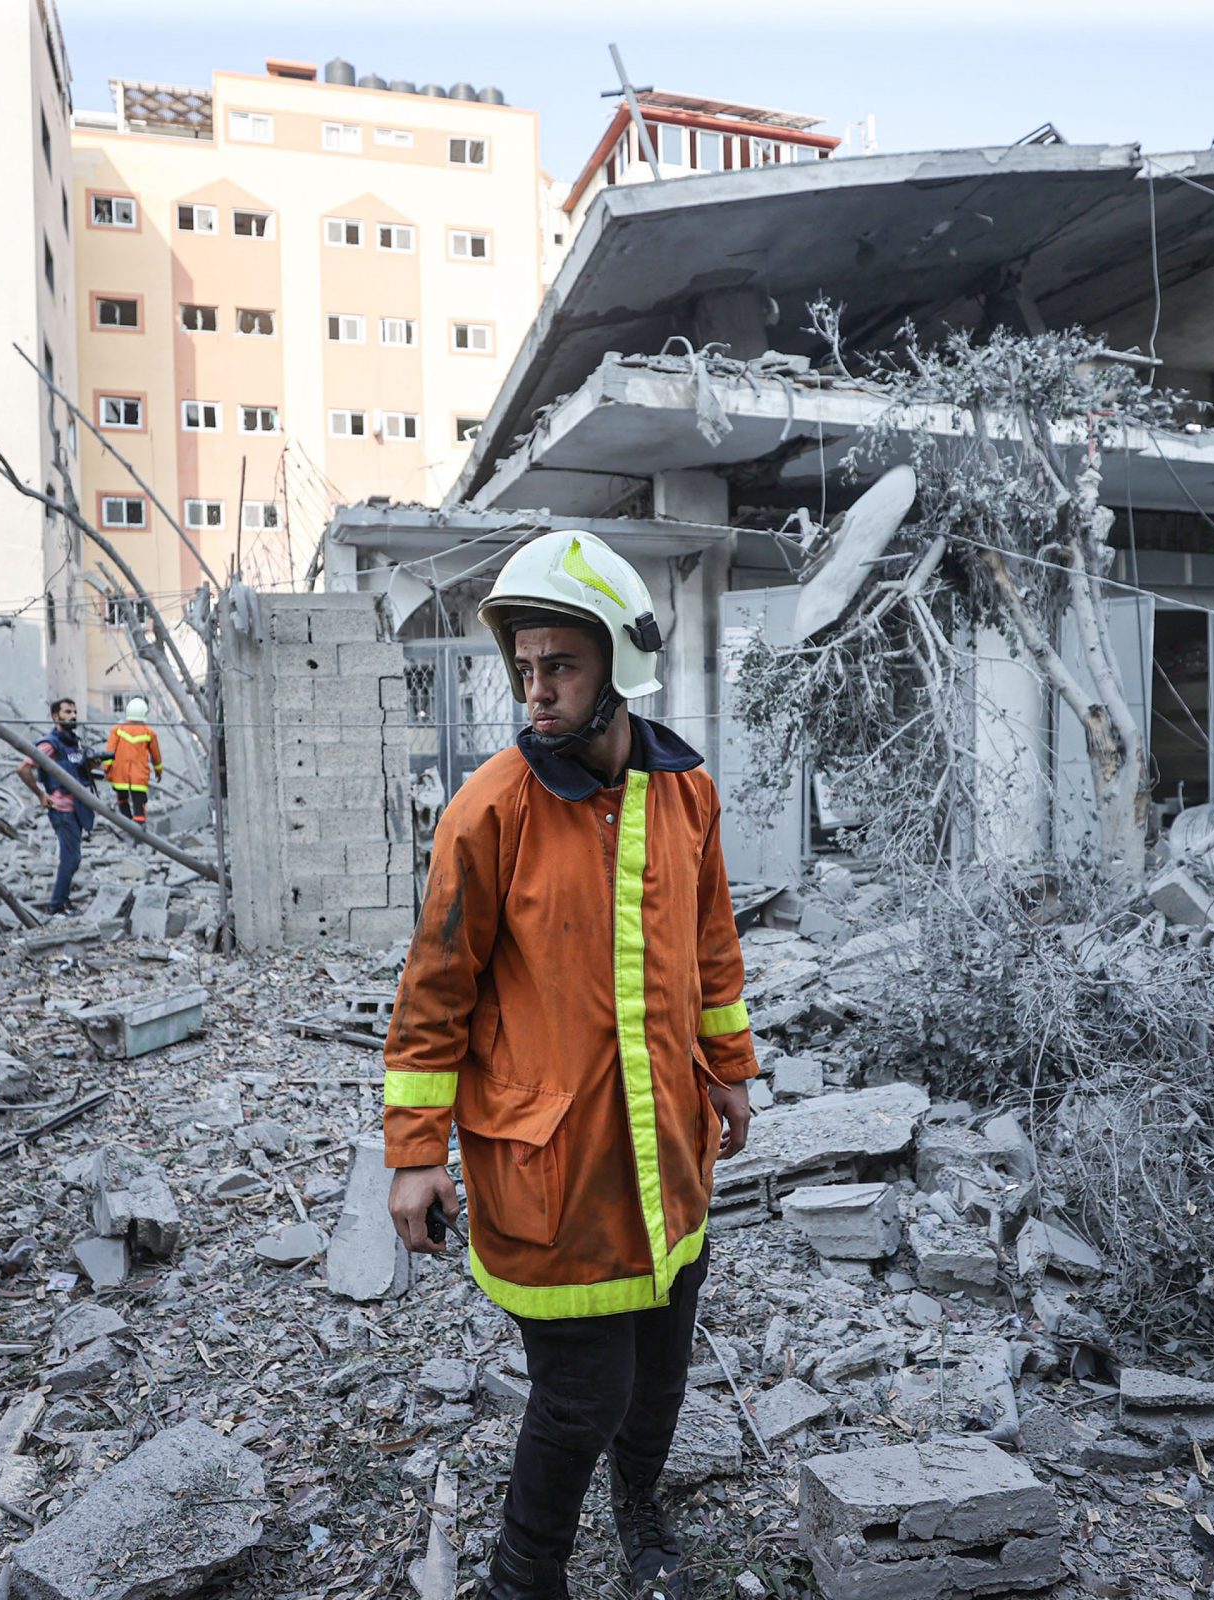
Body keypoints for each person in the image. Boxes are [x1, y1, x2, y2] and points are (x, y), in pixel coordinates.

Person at [383, 532, 757, 1600]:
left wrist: (729, 1068)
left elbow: (713, 946)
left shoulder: (686, 793)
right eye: (525, 668)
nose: (535, 691)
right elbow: (434, 993)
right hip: (553, 1166)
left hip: (667, 1152)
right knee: (581, 1395)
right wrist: (415, 1153)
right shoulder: (489, 808)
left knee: (660, 1376)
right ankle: (524, 1574)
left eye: (559, 666)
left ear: (617, 668)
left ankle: (639, 1506)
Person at [16, 697, 100, 915]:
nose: (73, 716)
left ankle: (62, 901)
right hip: (62, 810)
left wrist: (90, 765)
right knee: (71, 859)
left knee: (73, 858)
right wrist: (40, 795)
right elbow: (23, 768)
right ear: (56, 717)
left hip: (77, 808)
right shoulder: (49, 744)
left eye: (74, 711)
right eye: (67, 712)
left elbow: (75, 771)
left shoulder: (72, 743)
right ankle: (57, 905)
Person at [103, 697, 163, 825]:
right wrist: (158, 772)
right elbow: (156, 756)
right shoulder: (149, 733)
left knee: (122, 800)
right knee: (139, 805)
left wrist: (106, 769)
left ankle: (127, 826)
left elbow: (109, 753)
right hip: (139, 776)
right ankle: (138, 831)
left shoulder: (117, 730)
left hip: (120, 774)